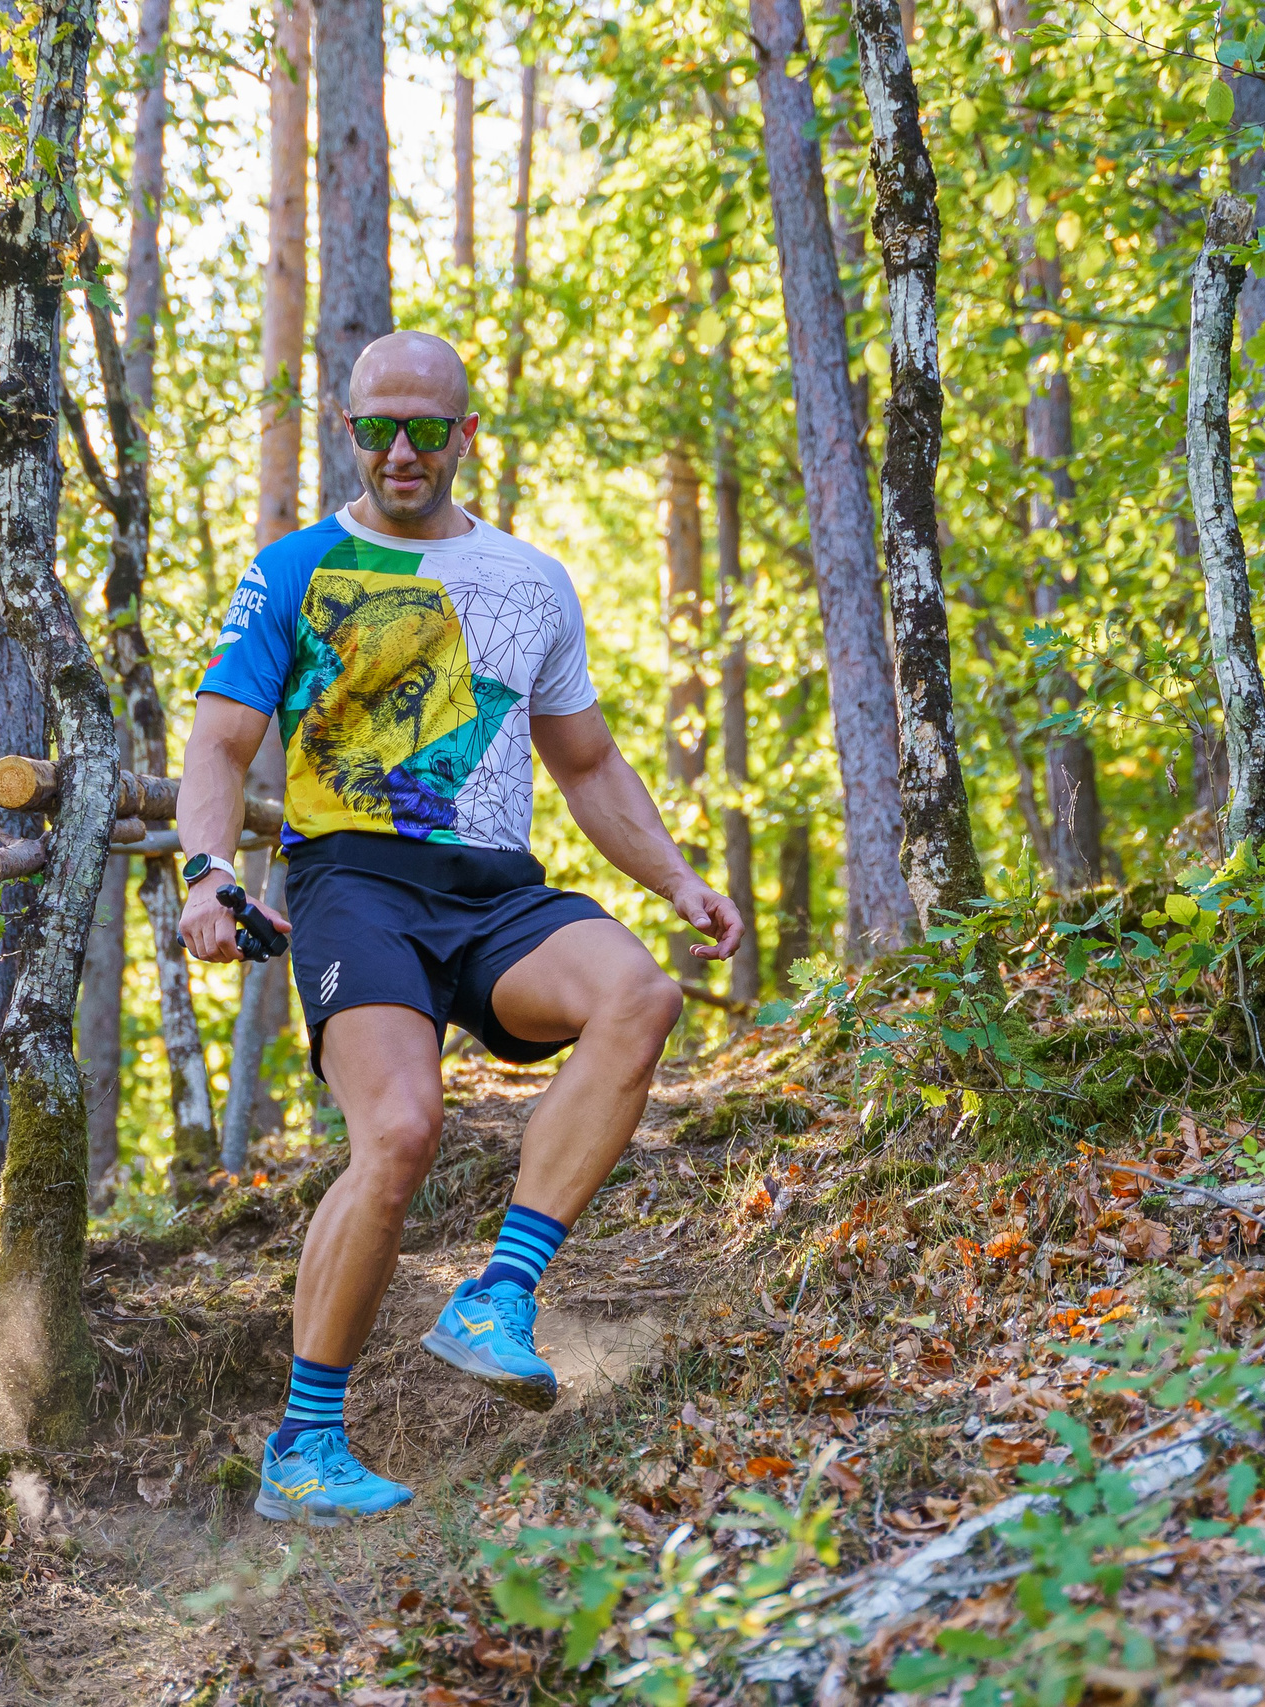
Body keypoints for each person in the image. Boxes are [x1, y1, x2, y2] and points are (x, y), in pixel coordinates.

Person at [175, 329, 745, 1527]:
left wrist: (677, 879)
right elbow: (219, 743)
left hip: (494, 894)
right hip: (355, 885)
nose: (401, 451)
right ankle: (305, 1445)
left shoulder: (531, 581)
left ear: (465, 435)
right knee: (398, 1131)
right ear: (348, 430)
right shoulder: (293, 569)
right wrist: (207, 875)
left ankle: (498, 1296)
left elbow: (587, 764)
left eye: (426, 429)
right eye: (379, 427)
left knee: (639, 994)